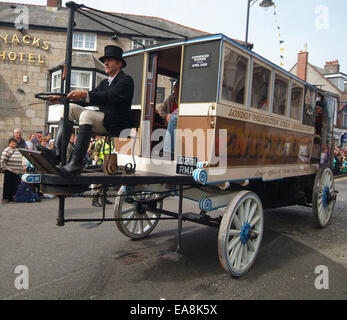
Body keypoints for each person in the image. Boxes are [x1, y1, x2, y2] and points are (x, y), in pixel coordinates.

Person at [38, 45, 135, 176]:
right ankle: (57, 153)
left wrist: (84, 93)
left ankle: (75, 164)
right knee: (69, 108)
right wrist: (62, 99)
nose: (105, 63)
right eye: (105, 61)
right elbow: (89, 98)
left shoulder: (126, 80)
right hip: (105, 119)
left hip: (117, 123)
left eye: (109, 60)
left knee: (86, 115)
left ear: (119, 64)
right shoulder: (105, 83)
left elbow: (110, 97)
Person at [158, 81, 180, 159]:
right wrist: (166, 115)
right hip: (170, 122)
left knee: (173, 119)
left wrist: (172, 115)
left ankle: (168, 151)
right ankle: (166, 149)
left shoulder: (185, 99)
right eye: (175, 88)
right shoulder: (171, 98)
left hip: (181, 121)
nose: (175, 90)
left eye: (177, 88)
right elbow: (160, 109)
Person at [1, 138, 25, 204]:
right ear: (9, 143)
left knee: (15, 185)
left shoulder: (17, 150)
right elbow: (3, 160)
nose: (14, 144)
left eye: (15, 143)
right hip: (9, 170)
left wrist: (22, 166)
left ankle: (11, 197)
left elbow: (21, 159)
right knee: (7, 185)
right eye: (12, 143)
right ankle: (5, 198)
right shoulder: (6, 150)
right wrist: (3, 167)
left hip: (17, 171)